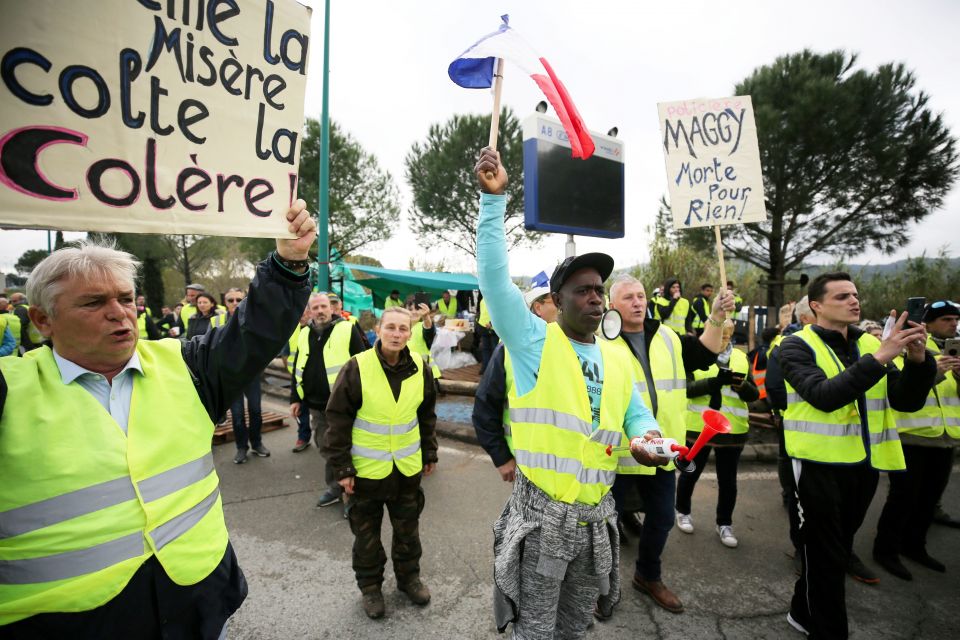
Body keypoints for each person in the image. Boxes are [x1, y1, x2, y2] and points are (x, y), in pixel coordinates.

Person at [0, 202, 314, 638]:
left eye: (126, 298)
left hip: (198, 605)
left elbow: (254, 332)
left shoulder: (186, 364)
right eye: (94, 302)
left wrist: (289, 263)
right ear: (41, 320)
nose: (119, 313)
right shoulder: (11, 389)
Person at [474, 148, 664, 640]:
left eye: (599, 288)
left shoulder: (617, 353)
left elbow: (637, 413)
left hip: (595, 517)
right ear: (556, 302)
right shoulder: (534, 341)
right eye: (582, 289)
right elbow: (495, 282)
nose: (595, 296)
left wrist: (647, 438)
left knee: (576, 624)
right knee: (535, 629)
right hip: (542, 521)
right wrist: (492, 203)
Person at [780, 272, 936, 639]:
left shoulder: (870, 343)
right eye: (842, 296)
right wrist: (883, 355)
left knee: (838, 547)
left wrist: (916, 360)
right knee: (826, 555)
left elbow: (905, 401)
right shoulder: (794, 346)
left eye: (855, 294)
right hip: (815, 465)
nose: (854, 301)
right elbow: (823, 395)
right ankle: (828, 630)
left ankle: (801, 611)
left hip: (864, 466)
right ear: (816, 305)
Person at [604, 274, 732, 615]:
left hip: (663, 450)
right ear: (611, 305)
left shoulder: (668, 337)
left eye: (641, 295)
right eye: (628, 297)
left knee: (662, 519)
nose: (637, 302)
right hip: (616, 452)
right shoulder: (599, 341)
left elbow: (707, 350)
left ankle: (648, 576)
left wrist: (717, 317)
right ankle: (603, 585)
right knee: (605, 526)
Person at [321, 306, 439, 619]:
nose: (397, 334)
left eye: (403, 329)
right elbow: (337, 419)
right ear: (378, 329)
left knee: (408, 533)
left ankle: (408, 579)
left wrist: (429, 452)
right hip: (366, 474)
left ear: (410, 333)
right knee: (366, 538)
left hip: (406, 471)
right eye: (391, 328)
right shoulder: (357, 367)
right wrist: (342, 468)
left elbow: (426, 415)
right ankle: (371, 588)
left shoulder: (420, 367)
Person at [873, 299, 960, 580]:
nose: (953, 324)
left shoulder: (956, 352)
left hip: (945, 439)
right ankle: (886, 550)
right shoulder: (906, 349)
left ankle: (915, 546)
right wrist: (933, 372)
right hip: (911, 438)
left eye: (955, 319)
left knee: (929, 499)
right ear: (928, 322)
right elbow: (902, 392)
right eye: (946, 319)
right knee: (902, 499)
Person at [675, 319, 759, 549]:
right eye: (720, 333)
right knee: (690, 472)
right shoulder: (694, 354)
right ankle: (682, 511)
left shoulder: (741, 358)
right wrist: (714, 382)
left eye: (728, 334)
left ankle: (724, 523)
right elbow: (687, 390)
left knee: (728, 481)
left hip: (732, 430)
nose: (724, 337)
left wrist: (742, 386)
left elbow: (754, 395)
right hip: (698, 428)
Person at [472, 282, 558, 483]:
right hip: (527, 465)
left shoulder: (576, 347)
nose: (563, 305)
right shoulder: (508, 352)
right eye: (556, 300)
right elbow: (484, 408)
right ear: (538, 308)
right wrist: (501, 457)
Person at [290, 292, 367, 508]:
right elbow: (298, 368)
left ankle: (351, 495)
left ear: (331, 308)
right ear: (310, 311)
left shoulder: (346, 329)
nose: (320, 311)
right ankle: (336, 487)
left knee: (345, 448)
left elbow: (363, 364)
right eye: (315, 308)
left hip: (343, 404)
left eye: (324, 306)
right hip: (316, 405)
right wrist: (295, 398)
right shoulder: (304, 333)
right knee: (325, 446)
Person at [210, 287, 269, 464]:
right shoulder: (217, 320)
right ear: (225, 302)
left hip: (251, 374)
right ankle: (241, 448)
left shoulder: (255, 319)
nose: (235, 303)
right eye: (231, 300)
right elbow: (211, 346)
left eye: (239, 299)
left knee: (256, 411)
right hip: (231, 376)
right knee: (237, 415)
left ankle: (257, 443)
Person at [285, 302, 315, 452]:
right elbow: (286, 353)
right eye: (300, 313)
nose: (302, 316)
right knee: (301, 410)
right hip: (298, 378)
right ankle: (303, 437)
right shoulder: (291, 330)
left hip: (316, 378)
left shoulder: (317, 330)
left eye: (305, 312)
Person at [405, 301, 439, 381]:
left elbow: (428, 329)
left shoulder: (423, 326)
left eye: (417, 309)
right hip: (407, 373)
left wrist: (426, 316)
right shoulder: (400, 329)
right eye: (410, 309)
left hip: (426, 375)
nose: (414, 312)